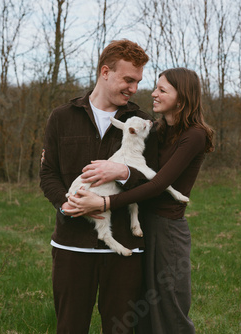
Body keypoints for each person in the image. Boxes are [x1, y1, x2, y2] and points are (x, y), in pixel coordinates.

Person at [66, 67, 215, 334]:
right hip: (141, 227)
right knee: (141, 313)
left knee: (170, 309)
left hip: (167, 229)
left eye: (162, 90)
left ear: (181, 98)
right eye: (155, 88)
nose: (153, 94)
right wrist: (53, 158)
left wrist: (105, 204)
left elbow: (157, 184)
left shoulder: (194, 135)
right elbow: (122, 151)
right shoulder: (157, 130)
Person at [39, 39, 158, 334]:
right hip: (71, 245)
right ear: (105, 72)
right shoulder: (61, 117)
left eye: (138, 81)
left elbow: (153, 179)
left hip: (125, 250)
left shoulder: (142, 121)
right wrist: (64, 204)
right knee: (70, 327)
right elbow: (48, 173)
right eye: (128, 79)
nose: (134, 87)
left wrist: (123, 173)